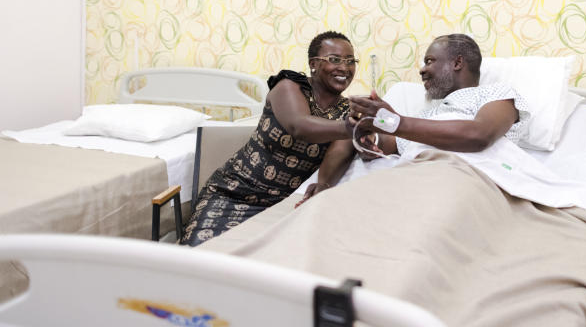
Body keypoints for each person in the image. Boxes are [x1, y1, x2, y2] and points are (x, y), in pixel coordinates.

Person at [181, 31, 361, 246]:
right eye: (334, 60)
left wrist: (323, 184)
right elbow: (299, 125)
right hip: (233, 192)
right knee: (202, 252)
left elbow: (339, 151)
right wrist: (354, 128)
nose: (344, 68)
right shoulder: (289, 87)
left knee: (265, 265)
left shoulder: (347, 111)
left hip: (283, 203)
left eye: (351, 61)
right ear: (314, 64)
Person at [348, 34, 530, 157]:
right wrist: (370, 135)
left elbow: (479, 135)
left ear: (457, 62)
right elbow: (390, 145)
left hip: (464, 179)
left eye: (429, 61)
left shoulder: (496, 93)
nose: (422, 70)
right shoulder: (429, 116)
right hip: (414, 176)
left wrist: (396, 121)